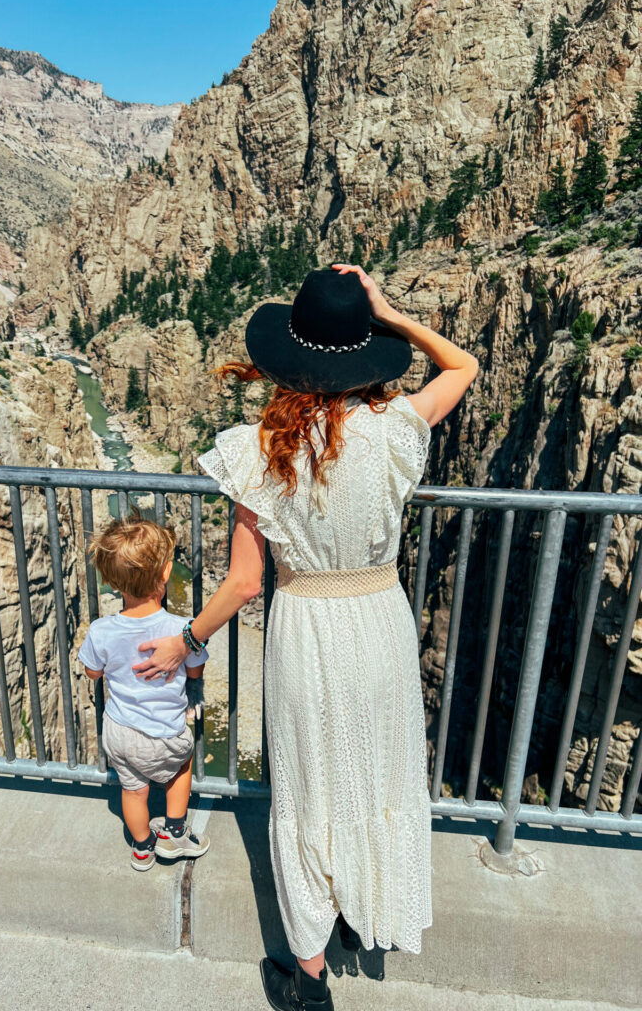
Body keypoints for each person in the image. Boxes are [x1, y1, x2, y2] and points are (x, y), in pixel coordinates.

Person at [132, 264, 479, 1008]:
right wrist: (391, 313)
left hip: (309, 632)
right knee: (373, 773)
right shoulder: (398, 432)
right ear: (366, 351)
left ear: (291, 362)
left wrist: (182, 641)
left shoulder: (260, 453)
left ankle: (309, 978)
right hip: (381, 624)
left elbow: (244, 584)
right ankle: (364, 907)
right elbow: (464, 365)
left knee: (310, 790)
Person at [78, 510, 210, 871]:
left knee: (133, 789)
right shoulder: (182, 629)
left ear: (113, 582)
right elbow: (195, 668)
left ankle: (141, 848)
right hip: (165, 734)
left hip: (120, 734)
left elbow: (92, 671)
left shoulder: (102, 630)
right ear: (166, 573)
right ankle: (173, 834)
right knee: (181, 768)